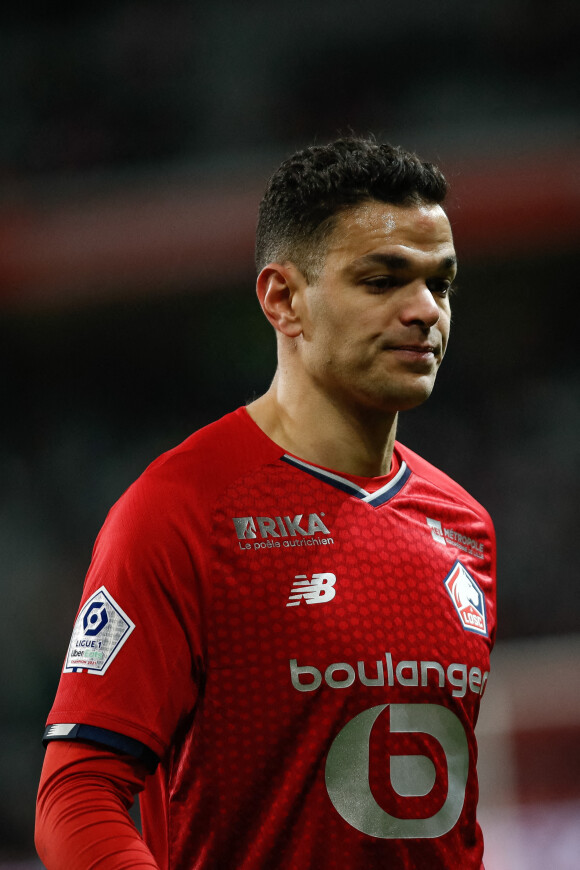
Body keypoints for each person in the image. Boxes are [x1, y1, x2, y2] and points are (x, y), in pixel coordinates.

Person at [35, 136, 496, 870]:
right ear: (284, 298)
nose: (424, 311)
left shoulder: (464, 525)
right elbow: (76, 798)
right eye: (382, 280)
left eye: (441, 285)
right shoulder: (180, 510)